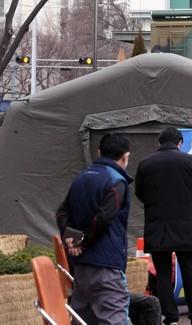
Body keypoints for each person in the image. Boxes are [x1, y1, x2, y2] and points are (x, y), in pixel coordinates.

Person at [135, 127, 192, 325]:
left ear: (160, 143)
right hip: (185, 226)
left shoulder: (146, 163)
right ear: (180, 142)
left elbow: (140, 193)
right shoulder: (189, 161)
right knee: (190, 272)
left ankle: (170, 318)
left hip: (157, 226)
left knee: (162, 274)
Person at [56, 133, 133, 324]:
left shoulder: (80, 178)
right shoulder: (117, 181)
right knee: (114, 319)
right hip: (107, 267)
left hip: (81, 268)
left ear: (99, 152)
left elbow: (62, 212)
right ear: (125, 157)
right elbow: (104, 218)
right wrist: (83, 241)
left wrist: (71, 239)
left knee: (82, 320)